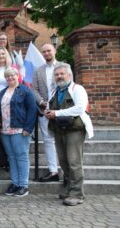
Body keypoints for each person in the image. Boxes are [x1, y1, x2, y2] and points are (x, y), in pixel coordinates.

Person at [45, 63, 94, 206]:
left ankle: (77, 194)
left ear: (69, 75)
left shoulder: (77, 89)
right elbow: (51, 107)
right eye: (57, 74)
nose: (59, 76)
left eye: (62, 74)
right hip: (59, 129)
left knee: (74, 162)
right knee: (63, 161)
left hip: (75, 130)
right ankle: (69, 189)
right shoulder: (54, 91)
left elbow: (80, 108)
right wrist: (48, 112)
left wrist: (56, 113)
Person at [0, 67, 37, 197]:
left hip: (20, 129)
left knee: (21, 156)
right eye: (7, 76)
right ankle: (15, 183)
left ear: (17, 75)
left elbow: (32, 110)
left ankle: (23, 185)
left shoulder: (25, 90)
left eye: (12, 75)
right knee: (11, 157)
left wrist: (28, 128)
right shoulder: (3, 92)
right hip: (5, 129)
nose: (10, 78)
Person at [32, 44, 60, 183]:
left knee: (63, 140)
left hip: (61, 110)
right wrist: (42, 102)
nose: (46, 53)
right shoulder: (38, 70)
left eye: (49, 50)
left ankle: (67, 172)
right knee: (48, 141)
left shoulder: (63, 67)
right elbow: (34, 90)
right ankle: (53, 171)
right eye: (44, 51)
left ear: (54, 51)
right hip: (44, 110)